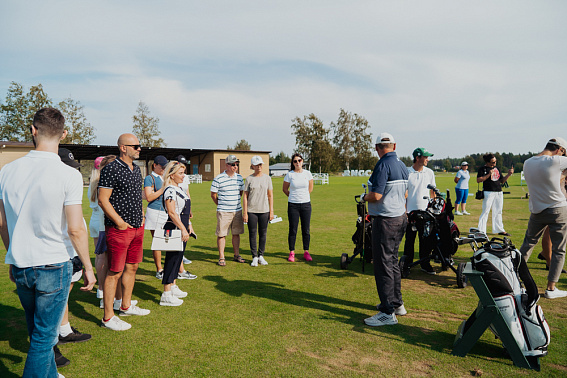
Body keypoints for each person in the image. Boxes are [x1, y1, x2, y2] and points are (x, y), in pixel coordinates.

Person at [0, 108, 95, 377]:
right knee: (43, 339)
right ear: (63, 134)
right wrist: (88, 267)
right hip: (54, 264)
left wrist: (12, 254)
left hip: (21, 262)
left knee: (37, 330)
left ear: (33, 130)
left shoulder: (7, 171)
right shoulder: (69, 174)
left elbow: (2, 223)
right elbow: (76, 228)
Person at [98, 133, 150, 331]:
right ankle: (108, 317)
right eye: (135, 146)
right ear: (123, 148)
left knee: (132, 267)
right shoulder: (111, 169)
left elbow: (137, 197)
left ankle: (126, 306)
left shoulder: (136, 169)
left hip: (137, 227)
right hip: (120, 229)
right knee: (115, 272)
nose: (139, 149)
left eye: (139, 146)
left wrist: (142, 215)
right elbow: (103, 199)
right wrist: (119, 222)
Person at [362, 132, 408, 327]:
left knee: (383, 264)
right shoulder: (402, 165)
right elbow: (405, 193)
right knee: (393, 261)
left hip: (386, 219)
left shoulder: (382, 165)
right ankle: (397, 304)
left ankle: (387, 311)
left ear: (377, 148)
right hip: (400, 217)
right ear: (394, 146)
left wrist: (364, 197)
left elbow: (377, 195)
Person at [56, 148, 92, 369]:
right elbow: (73, 228)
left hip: (71, 250)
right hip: (61, 250)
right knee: (54, 301)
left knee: (64, 296)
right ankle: (49, 345)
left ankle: (64, 330)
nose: (72, 172)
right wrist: (87, 264)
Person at [519, 137, 567, 299]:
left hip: (537, 211)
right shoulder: (556, 161)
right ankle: (551, 288)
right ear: (559, 150)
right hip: (557, 209)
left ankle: (514, 279)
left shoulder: (527, 162)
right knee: (559, 250)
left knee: (527, 246)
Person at [159, 161, 197, 306]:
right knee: (172, 259)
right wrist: (182, 228)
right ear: (172, 175)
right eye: (180, 173)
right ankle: (166, 293)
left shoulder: (179, 188)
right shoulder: (169, 190)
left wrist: (189, 226)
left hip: (182, 227)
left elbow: (185, 212)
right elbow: (172, 212)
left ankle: (173, 286)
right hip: (174, 228)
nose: (183, 176)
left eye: (184, 172)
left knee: (178, 258)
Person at [403, 147, 437, 275]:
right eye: (425, 157)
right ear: (418, 158)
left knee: (425, 240)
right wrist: (404, 211)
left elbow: (433, 191)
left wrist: (433, 209)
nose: (427, 159)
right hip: (410, 213)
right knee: (409, 240)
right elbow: (404, 193)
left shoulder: (429, 172)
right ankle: (407, 264)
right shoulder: (407, 172)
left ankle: (424, 263)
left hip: (426, 213)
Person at [210, 155, 245, 266]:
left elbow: (241, 192)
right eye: (233, 164)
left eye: (237, 164)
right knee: (221, 234)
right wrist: (220, 204)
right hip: (224, 211)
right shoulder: (219, 178)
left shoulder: (239, 178)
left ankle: (236, 255)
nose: (235, 166)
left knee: (236, 234)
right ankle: (221, 257)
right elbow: (213, 194)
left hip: (237, 211)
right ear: (227, 165)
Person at [243, 156, 274, 266]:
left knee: (263, 233)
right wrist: (245, 212)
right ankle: (254, 256)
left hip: (264, 210)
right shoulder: (249, 179)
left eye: (260, 164)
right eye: (257, 165)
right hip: (252, 211)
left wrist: (271, 211)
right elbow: (245, 196)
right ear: (252, 166)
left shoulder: (267, 178)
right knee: (252, 234)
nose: (259, 167)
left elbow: (270, 195)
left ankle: (261, 255)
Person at [282, 153, 313, 262]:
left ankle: (306, 251)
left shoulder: (307, 174)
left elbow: (310, 188)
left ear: (302, 161)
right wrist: (293, 197)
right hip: (293, 205)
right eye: (295, 161)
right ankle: (292, 252)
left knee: (306, 229)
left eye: (299, 160)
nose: (297, 163)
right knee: (293, 229)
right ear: (293, 163)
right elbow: (285, 189)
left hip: (306, 205)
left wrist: (303, 196)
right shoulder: (290, 175)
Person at [144, 155, 169, 279]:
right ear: (155, 165)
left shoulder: (165, 177)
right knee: (158, 241)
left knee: (168, 240)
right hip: (155, 212)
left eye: (165, 166)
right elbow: (149, 197)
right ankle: (159, 269)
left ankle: (170, 267)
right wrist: (163, 189)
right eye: (162, 166)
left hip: (167, 212)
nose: (164, 169)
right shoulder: (149, 178)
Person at [477, 153, 514, 235]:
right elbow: (478, 179)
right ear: (487, 162)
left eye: (495, 162)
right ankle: (481, 230)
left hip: (498, 192)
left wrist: (509, 174)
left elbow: (502, 181)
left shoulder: (497, 168)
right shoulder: (483, 169)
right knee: (485, 211)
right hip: (488, 192)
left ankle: (499, 229)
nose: (494, 164)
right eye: (493, 162)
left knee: (498, 211)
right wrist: (489, 174)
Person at [89, 156, 106, 299]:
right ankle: (102, 289)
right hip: (101, 221)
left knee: (99, 256)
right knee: (105, 258)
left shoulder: (92, 181)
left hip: (94, 220)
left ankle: (101, 289)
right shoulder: (102, 182)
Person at [175, 154, 193, 266]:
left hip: (184, 208)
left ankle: (181, 255)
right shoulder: (173, 176)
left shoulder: (185, 177)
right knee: (178, 232)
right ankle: (178, 260)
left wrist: (189, 207)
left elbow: (187, 192)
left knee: (186, 231)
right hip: (176, 208)